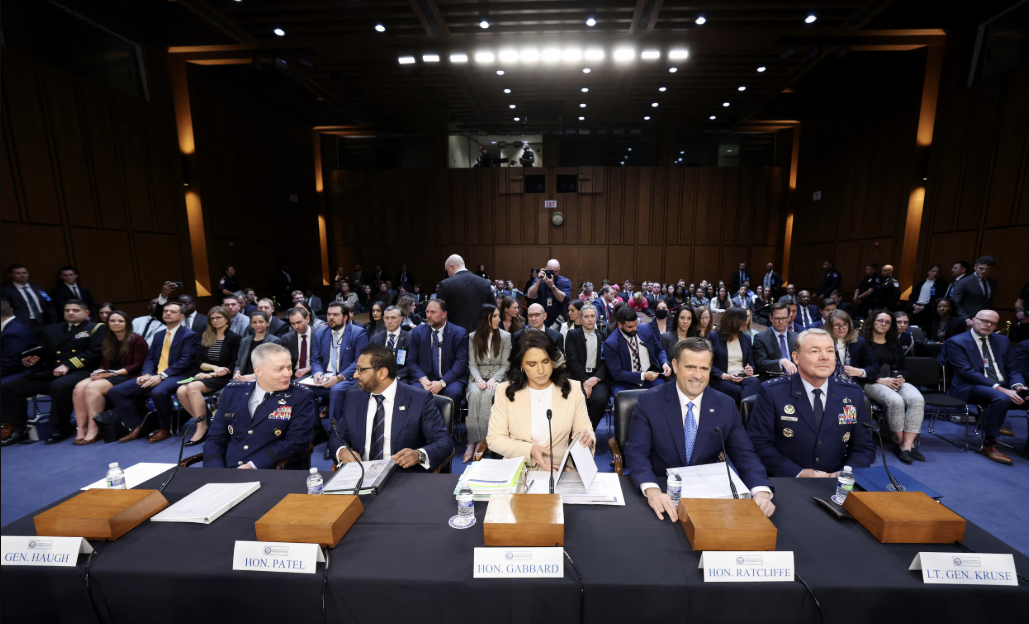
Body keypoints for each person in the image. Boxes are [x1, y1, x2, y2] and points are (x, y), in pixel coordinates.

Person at [624, 337, 775, 520]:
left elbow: (744, 453)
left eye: (704, 368)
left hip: (707, 495)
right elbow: (637, 452)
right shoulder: (649, 401)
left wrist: (761, 491)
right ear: (675, 365)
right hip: (661, 487)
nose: (698, 376)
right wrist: (652, 490)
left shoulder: (725, 405)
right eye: (690, 367)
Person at [748, 329, 875, 477]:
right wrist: (798, 473)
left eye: (830, 351)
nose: (825, 357)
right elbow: (759, 444)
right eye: (815, 351)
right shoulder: (772, 392)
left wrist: (846, 473)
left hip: (838, 481)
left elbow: (863, 448)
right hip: (788, 479)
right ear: (796, 358)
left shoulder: (852, 393)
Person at [329, 344, 453, 471]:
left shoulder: (419, 400)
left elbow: (444, 441)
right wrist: (342, 452)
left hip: (402, 475)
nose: (355, 375)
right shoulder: (353, 398)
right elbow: (337, 436)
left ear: (382, 373)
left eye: (361, 370)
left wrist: (418, 455)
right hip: (361, 473)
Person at [0, 300, 105, 446]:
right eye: (67, 310)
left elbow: (94, 353)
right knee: (10, 386)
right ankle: (17, 427)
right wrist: (33, 360)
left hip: (82, 371)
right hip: (54, 371)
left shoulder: (95, 328)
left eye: (75, 310)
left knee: (58, 386)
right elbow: (44, 351)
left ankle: (61, 426)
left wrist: (67, 365)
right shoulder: (53, 329)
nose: (70, 313)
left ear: (86, 313)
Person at [485, 331, 595, 470]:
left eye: (545, 361)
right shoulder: (504, 391)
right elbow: (494, 439)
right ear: (521, 365)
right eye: (532, 364)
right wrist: (530, 450)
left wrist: (587, 439)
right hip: (519, 473)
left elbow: (586, 430)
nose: (541, 370)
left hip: (559, 473)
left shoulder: (573, 388)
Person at [202, 343, 316, 469]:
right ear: (258, 371)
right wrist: (215, 469)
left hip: (270, 470)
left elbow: (296, 441)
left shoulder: (300, 396)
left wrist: (252, 466)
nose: (288, 374)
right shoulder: (232, 392)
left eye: (289, 367)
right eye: (279, 369)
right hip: (229, 469)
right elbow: (216, 437)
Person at [109, 301, 199, 443]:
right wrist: (146, 374)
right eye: (166, 311)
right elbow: (150, 358)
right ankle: (139, 426)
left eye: (173, 312)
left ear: (181, 316)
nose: (168, 313)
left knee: (158, 392)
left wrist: (161, 376)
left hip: (180, 374)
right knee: (116, 391)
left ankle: (165, 428)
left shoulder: (189, 335)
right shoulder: (159, 335)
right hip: (156, 374)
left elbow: (185, 362)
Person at [943, 310, 1025, 465]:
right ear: (974, 320)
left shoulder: (1002, 341)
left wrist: (1018, 386)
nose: (988, 325)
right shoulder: (957, 342)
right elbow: (967, 372)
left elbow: (1013, 368)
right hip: (970, 386)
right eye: (984, 321)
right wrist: (1001, 389)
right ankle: (989, 445)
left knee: (1023, 395)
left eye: (993, 323)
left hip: (1004, 386)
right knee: (1000, 398)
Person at [68, 311, 147, 445]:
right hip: (110, 374)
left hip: (130, 376)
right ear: (107, 323)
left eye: (120, 321)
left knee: (92, 388)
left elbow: (138, 365)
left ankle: (94, 428)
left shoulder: (137, 339)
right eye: (112, 321)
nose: (116, 323)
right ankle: (81, 429)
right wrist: (98, 372)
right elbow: (105, 364)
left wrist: (113, 373)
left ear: (127, 323)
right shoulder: (108, 341)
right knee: (79, 387)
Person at [858, 310, 926, 463]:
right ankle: (901, 443)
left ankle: (907, 446)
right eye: (880, 321)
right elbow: (857, 369)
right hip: (872, 382)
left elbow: (904, 367)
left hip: (895, 381)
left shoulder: (893, 342)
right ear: (872, 322)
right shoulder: (861, 342)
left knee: (917, 399)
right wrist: (878, 379)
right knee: (896, 401)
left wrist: (902, 378)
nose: (883, 324)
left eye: (887, 322)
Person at [175, 307, 241, 446]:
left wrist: (211, 374)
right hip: (207, 374)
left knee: (192, 387)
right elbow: (198, 361)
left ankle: (202, 428)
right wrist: (213, 368)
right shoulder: (206, 336)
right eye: (212, 318)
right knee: (181, 391)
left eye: (218, 317)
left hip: (225, 377)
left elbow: (232, 365)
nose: (215, 321)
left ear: (226, 319)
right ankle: (205, 423)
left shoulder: (234, 338)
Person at [464, 305, 512, 463]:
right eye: (495, 316)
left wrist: (493, 379)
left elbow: (506, 364)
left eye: (498, 316)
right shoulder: (473, 337)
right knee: (474, 394)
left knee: (487, 395)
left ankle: (482, 443)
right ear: (486, 319)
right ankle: (472, 442)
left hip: (498, 378)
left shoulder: (505, 336)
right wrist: (478, 379)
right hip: (477, 377)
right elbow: (472, 364)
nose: (499, 319)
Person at [310, 302, 368, 415]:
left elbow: (359, 361)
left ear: (345, 317)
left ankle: (335, 425)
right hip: (325, 377)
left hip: (348, 377)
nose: (331, 318)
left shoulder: (358, 333)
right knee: (301, 388)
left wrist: (338, 377)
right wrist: (318, 373)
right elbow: (316, 359)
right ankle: (314, 425)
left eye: (335, 315)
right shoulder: (320, 333)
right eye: (329, 314)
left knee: (336, 390)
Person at [406, 299, 468, 403]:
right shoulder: (417, 332)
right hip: (425, 379)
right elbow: (411, 361)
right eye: (427, 312)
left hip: (451, 379)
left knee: (453, 393)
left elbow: (461, 363)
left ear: (444, 314)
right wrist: (424, 380)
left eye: (433, 312)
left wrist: (442, 383)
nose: (428, 315)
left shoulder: (459, 333)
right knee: (416, 392)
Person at [604, 305, 671, 395]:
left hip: (651, 379)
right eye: (630, 327)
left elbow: (659, 350)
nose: (635, 329)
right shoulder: (611, 343)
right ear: (620, 325)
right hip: (625, 383)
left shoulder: (646, 329)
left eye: (636, 325)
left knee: (666, 393)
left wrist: (664, 363)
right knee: (622, 398)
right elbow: (617, 374)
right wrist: (643, 376)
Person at [565, 305, 611, 429]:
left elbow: (607, 361)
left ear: (596, 318)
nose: (590, 319)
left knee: (600, 400)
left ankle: (588, 431)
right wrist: (585, 381)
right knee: (580, 399)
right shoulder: (572, 335)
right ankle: (578, 431)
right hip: (578, 376)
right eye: (586, 316)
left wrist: (596, 378)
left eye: (592, 316)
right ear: (580, 319)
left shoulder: (604, 335)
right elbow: (572, 360)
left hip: (598, 377)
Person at [706, 307, 760, 402]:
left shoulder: (746, 338)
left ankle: (744, 410)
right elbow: (708, 364)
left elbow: (751, 363)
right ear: (734, 321)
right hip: (722, 378)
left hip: (743, 376)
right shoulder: (714, 336)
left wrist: (750, 369)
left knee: (755, 382)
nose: (746, 322)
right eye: (743, 319)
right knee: (739, 391)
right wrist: (726, 376)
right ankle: (746, 410)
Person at [436, 255, 496, 334]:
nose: (448, 274)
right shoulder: (485, 283)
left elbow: (439, 313)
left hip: (454, 335)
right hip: (481, 334)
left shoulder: (445, 284)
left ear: (452, 267)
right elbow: (494, 310)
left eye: (447, 271)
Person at [1, 264, 57, 330]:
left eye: (24, 273)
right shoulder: (6, 291)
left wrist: (53, 316)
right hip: (24, 324)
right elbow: (6, 310)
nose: (22, 275)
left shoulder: (39, 288)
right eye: (18, 273)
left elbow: (48, 301)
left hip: (44, 321)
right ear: (10, 275)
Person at [234, 311, 285, 381]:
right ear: (251, 324)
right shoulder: (244, 341)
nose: (258, 325)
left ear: (267, 323)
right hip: (244, 377)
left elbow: (274, 364)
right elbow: (239, 362)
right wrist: (237, 373)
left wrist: (254, 376)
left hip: (264, 378)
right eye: (254, 322)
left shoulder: (274, 341)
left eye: (261, 322)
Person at [753, 303, 798, 377]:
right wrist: (781, 362)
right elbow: (761, 364)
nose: (781, 322)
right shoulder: (760, 338)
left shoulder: (797, 337)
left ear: (788, 318)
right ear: (771, 318)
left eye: (784, 318)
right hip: (773, 377)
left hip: (795, 376)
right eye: (777, 318)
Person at [526, 259, 573, 327]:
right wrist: (539, 280)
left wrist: (552, 286)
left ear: (559, 270)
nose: (553, 274)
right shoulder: (540, 280)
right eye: (551, 271)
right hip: (541, 319)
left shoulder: (565, 282)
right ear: (546, 269)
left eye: (556, 271)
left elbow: (564, 299)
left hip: (558, 320)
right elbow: (530, 295)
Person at [370, 306, 412, 383]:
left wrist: (396, 376)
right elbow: (372, 361)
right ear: (383, 319)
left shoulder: (409, 338)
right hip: (380, 377)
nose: (389, 321)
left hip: (401, 378)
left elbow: (412, 363)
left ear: (401, 319)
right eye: (387, 318)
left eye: (393, 318)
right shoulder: (375, 339)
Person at [951, 256, 997, 323]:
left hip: (984, 320)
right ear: (975, 267)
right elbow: (955, 303)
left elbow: (988, 302)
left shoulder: (992, 283)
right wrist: (966, 319)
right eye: (981, 268)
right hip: (967, 320)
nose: (984, 271)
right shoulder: (964, 282)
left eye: (988, 269)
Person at [1, 300, 37, 379]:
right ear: (11, 310)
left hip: (18, 374)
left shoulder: (12, 334)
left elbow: (8, 365)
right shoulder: (17, 323)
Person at [910, 265, 945, 330]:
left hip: (928, 310)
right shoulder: (921, 283)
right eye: (933, 271)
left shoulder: (939, 284)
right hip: (916, 309)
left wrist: (923, 307)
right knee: (912, 328)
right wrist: (914, 305)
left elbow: (937, 299)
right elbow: (911, 296)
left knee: (925, 330)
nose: (935, 273)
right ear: (928, 272)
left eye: (937, 272)